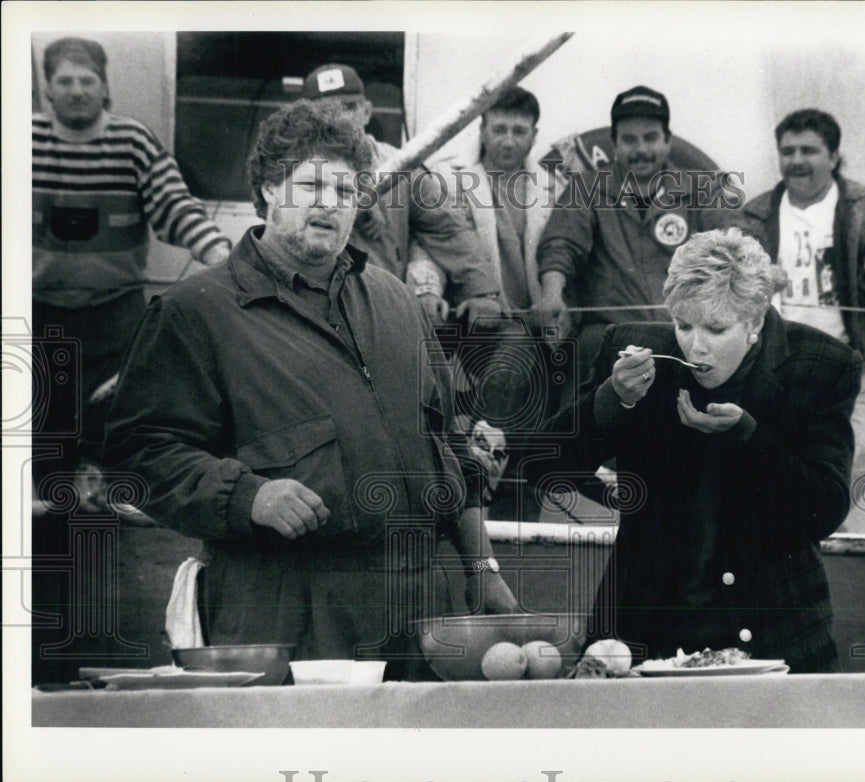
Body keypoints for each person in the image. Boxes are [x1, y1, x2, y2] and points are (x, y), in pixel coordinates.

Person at [103, 99, 517, 679]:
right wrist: (249, 496)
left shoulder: (398, 302)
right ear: (270, 188)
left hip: (422, 615)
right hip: (289, 617)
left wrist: (482, 569)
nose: (329, 203)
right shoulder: (196, 312)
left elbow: (449, 446)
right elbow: (137, 456)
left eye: (346, 191)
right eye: (310, 184)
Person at [529, 228, 862, 673]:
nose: (696, 344)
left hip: (775, 633)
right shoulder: (633, 349)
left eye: (717, 328)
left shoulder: (821, 365)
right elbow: (542, 465)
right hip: (643, 633)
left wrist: (750, 438)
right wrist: (613, 400)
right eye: (683, 325)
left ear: (756, 323)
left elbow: (825, 510)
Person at [32, 37, 231, 507]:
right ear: (48, 89)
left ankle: (98, 502)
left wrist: (222, 253)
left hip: (116, 313)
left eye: (87, 81)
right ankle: (45, 517)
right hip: (36, 312)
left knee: (112, 414)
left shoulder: (133, 141)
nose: (77, 90)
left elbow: (175, 208)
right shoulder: (21, 141)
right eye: (65, 81)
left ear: (104, 88)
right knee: (43, 418)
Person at [732, 109, 865, 480]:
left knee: (863, 452)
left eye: (809, 150)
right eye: (788, 152)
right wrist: (756, 278)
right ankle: (798, 531)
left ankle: (814, 527)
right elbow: (731, 277)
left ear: (834, 157)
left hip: (851, 361)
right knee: (768, 455)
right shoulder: (754, 214)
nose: (797, 161)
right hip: (774, 362)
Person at [407, 87, 565, 509]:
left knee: (528, 425)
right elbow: (432, 245)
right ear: (482, 129)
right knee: (516, 355)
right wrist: (429, 292)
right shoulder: (450, 178)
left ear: (534, 135)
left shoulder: (555, 187)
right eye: (498, 129)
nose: (508, 140)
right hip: (474, 325)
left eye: (518, 131)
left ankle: (502, 502)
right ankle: (478, 454)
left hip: (536, 333)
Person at [534, 85, 729, 374]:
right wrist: (552, 294)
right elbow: (561, 245)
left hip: (686, 335)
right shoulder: (585, 187)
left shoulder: (704, 188)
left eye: (650, 138)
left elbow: (733, 242)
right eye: (629, 140)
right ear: (614, 144)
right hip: (609, 338)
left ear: (667, 141)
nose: (640, 150)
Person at [301, 63, 501, 327]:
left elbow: (447, 227)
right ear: (306, 119)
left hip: (385, 315)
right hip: (317, 318)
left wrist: (481, 291)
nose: (338, 120)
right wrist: (349, 205)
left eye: (348, 108)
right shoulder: (291, 172)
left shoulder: (400, 165)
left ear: (366, 112)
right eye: (326, 111)